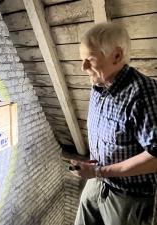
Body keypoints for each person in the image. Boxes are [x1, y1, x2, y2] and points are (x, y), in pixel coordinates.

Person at [70, 22, 157, 225]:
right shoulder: (98, 87)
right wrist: (93, 167)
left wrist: (99, 171)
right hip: (97, 183)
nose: (83, 68)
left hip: (127, 197)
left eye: (89, 59)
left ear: (116, 56)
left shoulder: (143, 93)